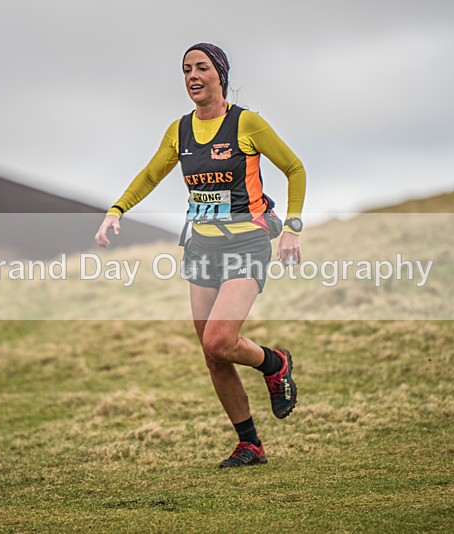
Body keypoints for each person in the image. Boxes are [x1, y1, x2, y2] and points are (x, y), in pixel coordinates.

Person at [95, 43, 306, 468]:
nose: (193, 76)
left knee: (219, 339)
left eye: (202, 68)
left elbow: (295, 168)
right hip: (201, 245)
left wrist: (293, 229)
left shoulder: (246, 123)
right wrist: (117, 210)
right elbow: (152, 172)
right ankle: (250, 445)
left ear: (220, 75)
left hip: (246, 242)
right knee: (213, 355)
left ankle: (275, 363)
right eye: (186, 69)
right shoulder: (180, 130)